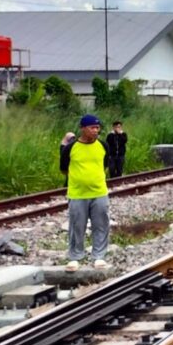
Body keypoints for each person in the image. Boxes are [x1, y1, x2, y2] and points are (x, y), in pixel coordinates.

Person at [59, 114, 111, 272]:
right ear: (82, 128)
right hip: (77, 194)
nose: (96, 130)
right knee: (77, 226)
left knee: (101, 224)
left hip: (99, 192)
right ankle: (75, 257)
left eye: (97, 127)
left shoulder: (103, 145)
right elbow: (63, 169)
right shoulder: (71, 148)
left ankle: (99, 256)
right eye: (92, 128)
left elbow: (105, 165)